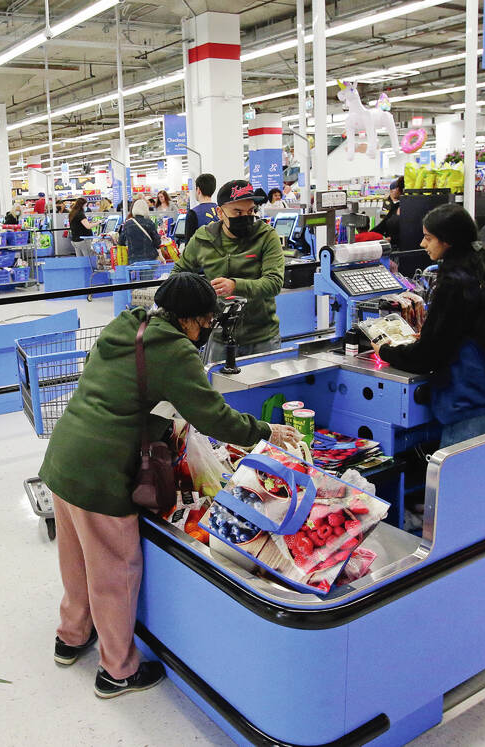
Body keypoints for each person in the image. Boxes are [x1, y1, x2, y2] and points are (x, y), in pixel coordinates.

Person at [39, 273, 300, 699]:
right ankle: (118, 672)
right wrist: (265, 431)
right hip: (104, 473)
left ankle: (71, 637)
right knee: (114, 570)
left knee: (76, 559)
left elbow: (121, 388)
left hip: (65, 458)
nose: (209, 328)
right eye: (207, 321)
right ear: (194, 320)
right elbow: (214, 416)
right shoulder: (175, 350)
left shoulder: (127, 325)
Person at [374, 204, 485, 447]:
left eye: (428, 238)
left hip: (474, 405)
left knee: (460, 482)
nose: (423, 245)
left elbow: (428, 355)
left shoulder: (455, 282)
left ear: (448, 240)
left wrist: (385, 350)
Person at [173, 179, 284, 364]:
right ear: (220, 212)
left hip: (261, 336)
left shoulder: (266, 236)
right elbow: (178, 274)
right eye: (237, 212)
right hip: (217, 335)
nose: (245, 217)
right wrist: (197, 296)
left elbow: (274, 283)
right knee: (218, 390)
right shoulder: (203, 238)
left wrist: (235, 285)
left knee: (264, 391)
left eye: (250, 211)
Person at [183, 173, 218, 245]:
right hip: (221, 254)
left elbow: (189, 245)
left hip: (202, 255)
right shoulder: (221, 210)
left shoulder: (193, 213)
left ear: (198, 190)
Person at [375, 176, 404, 249]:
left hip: (402, 249)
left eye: (397, 188)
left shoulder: (408, 208)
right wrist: (368, 235)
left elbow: (409, 232)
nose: (395, 190)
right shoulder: (394, 205)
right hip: (392, 248)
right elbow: (382, 224)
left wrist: (392, 239)